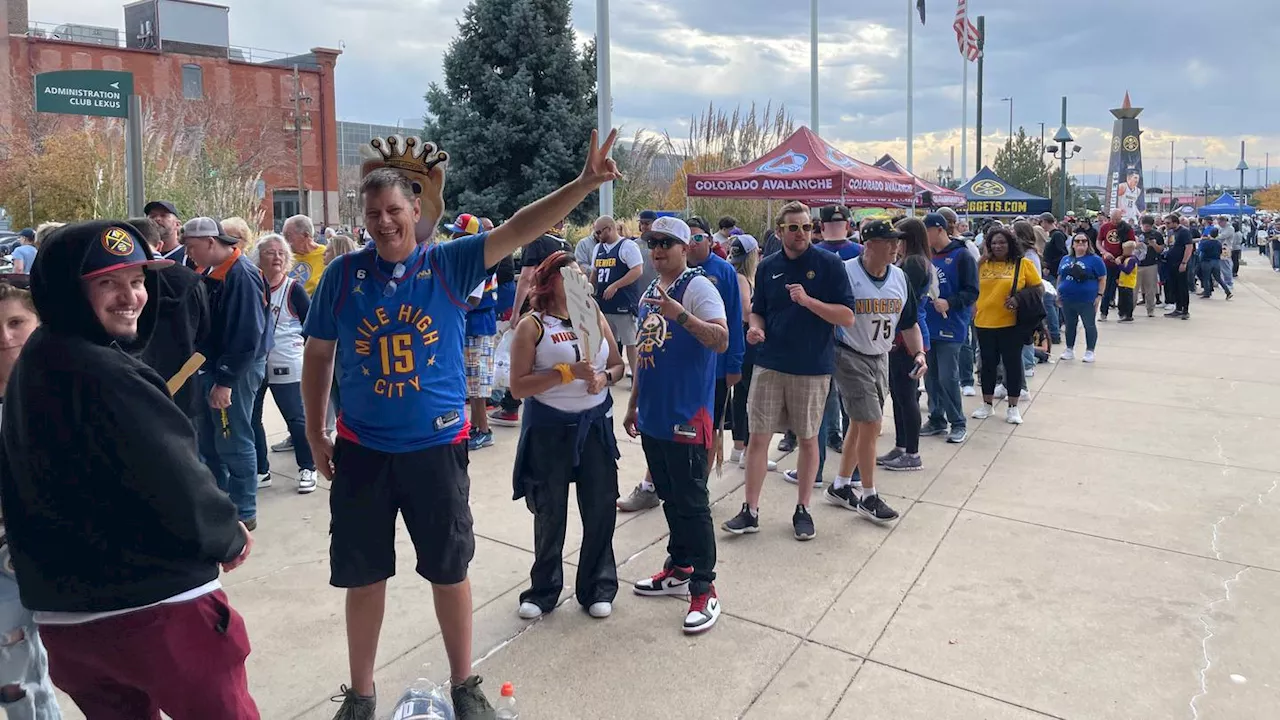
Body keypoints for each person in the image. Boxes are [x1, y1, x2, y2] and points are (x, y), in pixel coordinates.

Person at [302, 130, 620, 718]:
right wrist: (316, 432)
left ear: (416, 210)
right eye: (374, 214)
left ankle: (464, 684)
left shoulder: (447, 262)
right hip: (362, 449)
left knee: (449, 571)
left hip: (435, 449)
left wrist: (584, 183)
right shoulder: (343, 276)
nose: (384, 222)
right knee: (363, 576)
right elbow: (319, 355)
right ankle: (362, 694)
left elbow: (521, 228)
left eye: (395, 210)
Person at [1, 221, 257, 718]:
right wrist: (229, 535)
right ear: (70, 292)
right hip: (159, 608)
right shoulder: (108, 372)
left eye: (137, 280)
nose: (131, 296)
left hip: (68, 618)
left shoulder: (36, 360)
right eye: (107, 283)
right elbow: (175, 477)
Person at [722, 202, 855, 541]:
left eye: (807, 227)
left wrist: (809, 301)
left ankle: (803, 508)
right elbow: (759, 311)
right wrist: (756, 328)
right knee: (759, 438)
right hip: (770, 363)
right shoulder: (768, 267)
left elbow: (846, 316)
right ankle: (750, 510)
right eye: (793, 228)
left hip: (812, 366)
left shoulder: (829, 264)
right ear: (779, 231)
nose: (801, 234)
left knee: (809, 439)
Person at [623, 216, 728, 633]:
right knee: (669, 496)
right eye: (653, 243)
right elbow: (646, 355)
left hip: (687, 416)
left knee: (692, 502)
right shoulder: (652, 289)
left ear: (686, 247)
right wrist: (633, 404)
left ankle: (704, 586)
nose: (658, 249)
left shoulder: (697, 287)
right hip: (654, 416)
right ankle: (680, 567)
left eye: (667, 242)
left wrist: (681, 315)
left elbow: (720, 340)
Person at [508, 251, 625, 621]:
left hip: (594, 426)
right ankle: (543, 589)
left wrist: (605, 377)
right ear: (550, 280)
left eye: (580, 274)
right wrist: (565, 373)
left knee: (600, 507)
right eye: (568, 275)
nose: (578, 280)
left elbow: (619, 364)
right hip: (549, 428)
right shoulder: (533, 325)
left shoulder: (593, 316)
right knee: (549, 510)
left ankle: (597, 586)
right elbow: (518, 387)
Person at [826, 219, 927, 523]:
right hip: (848, 353)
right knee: (871, 422)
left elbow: (908, 322)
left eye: (898, 240)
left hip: (881, 355)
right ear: (869, 244)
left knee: (859, 424)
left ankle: (841, 485)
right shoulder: (845, 272)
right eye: (889, 241)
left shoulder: (899, 278)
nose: (896, 246)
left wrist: (919, 352)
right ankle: (868, 495)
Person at [0, 280, 62, 720]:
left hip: (49, 556)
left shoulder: (65, 391)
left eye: (16, 322)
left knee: (25, 675)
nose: (5, 337)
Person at [182, 217, 269, 529]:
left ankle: (244, 510)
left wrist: (225, 381)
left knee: (233, 438)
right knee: (211, 441)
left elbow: (247, 336)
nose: (189, 253)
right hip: (216, 367)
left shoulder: (240, 275)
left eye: (192, 247)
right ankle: (221, 502)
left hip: (235, 370)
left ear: (210, 242)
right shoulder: (214, 272)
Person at [127, 217, 212, 428]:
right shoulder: (192, 280)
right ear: (160, 245)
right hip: (182, 376)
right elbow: (205, 331)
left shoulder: (123, 283)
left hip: (135, 379)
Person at [489, 220, 574, 428]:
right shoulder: (565, 245)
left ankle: (510, 406)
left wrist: (516, 311)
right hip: (562, 309)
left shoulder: (537, 242)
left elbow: (527, 277)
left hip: (538, 306)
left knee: (522, 355)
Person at [249, 233, 316, 493]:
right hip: (254, 363)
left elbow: (311, 325)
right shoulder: (252, 284)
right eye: (270, 252)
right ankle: (261, 469)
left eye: (281, 253)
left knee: (296, 418)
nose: (276, 257)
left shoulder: (293, 288)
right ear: (259, 257)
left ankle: (307, 467)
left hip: (286, 360)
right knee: (252, 418)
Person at [971, 227, 1040, 424]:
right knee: (987, 366)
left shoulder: (1022, 264)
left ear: (1010, 244)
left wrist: (1019, 299)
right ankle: (987, 404)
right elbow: (969, 283)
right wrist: (981, 259)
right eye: (993, 243)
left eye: (1002, 242)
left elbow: (1038, 288)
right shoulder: (983, 264)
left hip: (1011, 324)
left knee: (1012, 365)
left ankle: (1013, 407)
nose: (998, 246)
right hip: (984, 322)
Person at [880, 217, 933, 471]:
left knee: (906, 395)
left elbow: (903, 301)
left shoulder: (913, 263)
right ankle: (902, 447)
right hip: (904, 333)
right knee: (901, 395)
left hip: (907, 336)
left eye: (899, 238)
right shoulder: (916, 260)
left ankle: (911, 452)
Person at [920, 212, 979, 444]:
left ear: (939, 229)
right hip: (928, 324)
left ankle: (958, 422)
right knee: (931, 376)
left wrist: (950, 302)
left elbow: (972, 291)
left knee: (947, 376)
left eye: (927, 231)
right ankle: (936, 418)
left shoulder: (961, 255)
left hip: (952, 325)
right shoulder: (926, 257)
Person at [725, 235, 775, 471]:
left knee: (741, 395)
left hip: (739, 339)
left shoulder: (732, 274)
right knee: (749, 395)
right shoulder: (742, 278)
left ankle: (739, 448)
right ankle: (746, 450)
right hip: (746, 339)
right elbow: (746, 312)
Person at [590, 215, 643, 394]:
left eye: (599, 232)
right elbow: (595, 272)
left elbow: (637, 270)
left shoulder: (627, 246)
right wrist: (590, 291)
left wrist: (616, 285)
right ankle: (610, 373)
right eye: (595, 232)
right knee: (607, 341)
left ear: (609, 229)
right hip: (604, 304)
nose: (597, 236)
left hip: (623, 302)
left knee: (630, 341)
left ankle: (636, 378)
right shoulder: (598, 248)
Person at [1056, 232, 1106, 362]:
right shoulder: (1065, 259)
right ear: (1072, 244)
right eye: (1077, 241)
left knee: (1089, 324)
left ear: (1088, 243)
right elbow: (1060, 277)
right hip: (1067, 298)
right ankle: (1069, 349)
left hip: (1087, 298)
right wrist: (1058, 293)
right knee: (1070, 324)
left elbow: (1102, 278)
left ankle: (1090, 351)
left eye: (1084, 241)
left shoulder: (1095, 260)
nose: (1080, 243)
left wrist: (1099, 295)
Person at [1096, 209, 1131, 321]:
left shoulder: (1127, 228)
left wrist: (1122, 256)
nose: (1115, 222)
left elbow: (1131, 244)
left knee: (1123, 288)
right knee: (1107, 289)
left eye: (1118, 219)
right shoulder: (1105, 227)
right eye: (1113, 219)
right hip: (1108, 262)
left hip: (1122, 262)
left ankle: (1122, 312)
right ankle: (1103, 312)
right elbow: (1098, 242)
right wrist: (1104, 252)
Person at [283, 215, 327, 296]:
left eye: (288, 236)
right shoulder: (284, 257)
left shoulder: (326, 255)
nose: (285, 241)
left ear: (306, 235)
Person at [1163, 214, 1195, 319]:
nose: (1166, 225)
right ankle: (1178, 308)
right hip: (1171, 263)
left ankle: (1185, 310)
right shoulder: (1171, 232)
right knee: (1174, 287)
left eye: (1168, 223)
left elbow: (1189, 247)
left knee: (1182, 287)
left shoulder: (1184, 232)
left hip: (1180, 262)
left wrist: (1184, 262)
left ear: (1175, 222)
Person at [144, 200, 190, 267]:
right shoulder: (141, 255)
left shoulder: (189, 255)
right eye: (152, 216)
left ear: (177, 224)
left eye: (163, 215)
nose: (157, 219)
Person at [1137, 215, 1163, 316]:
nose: (1146, 228)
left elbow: (1160, 249)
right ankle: (1130, 310)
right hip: (1137, 264)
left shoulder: (1156, 234)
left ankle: (1150, 309)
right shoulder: (1136, 232)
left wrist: (1154, 245)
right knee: (1135, 288)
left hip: (1151, 264)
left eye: (1148, 226)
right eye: (1144, 226)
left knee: (1151, 289)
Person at [1197, 227, 1230, 300]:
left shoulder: (1206, 243)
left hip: (1206, 261)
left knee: (1206, 278)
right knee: (1218, 278)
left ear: (1209, 234)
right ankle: (1227, 291)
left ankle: (1207, 292)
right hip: (1216, 262)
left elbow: (1200, 250)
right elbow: (1220, 252)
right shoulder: (1218, 243)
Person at [1116, 241, 1138, 322]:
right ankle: (1122, 313)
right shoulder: (1125, 259)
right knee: (1121, 300)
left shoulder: (1132, 260)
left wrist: (1119, 264)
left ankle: (1128, 315)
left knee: (1127, 300)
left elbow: (1127, 271)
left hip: (1128, 283)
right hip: (1122, 282)